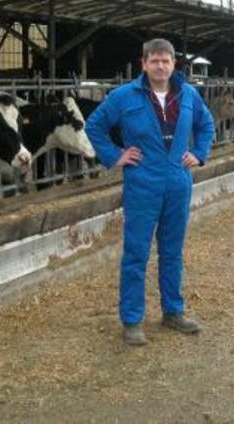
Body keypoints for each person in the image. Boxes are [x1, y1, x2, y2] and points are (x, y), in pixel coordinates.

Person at [85, 38, 215, 346]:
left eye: (166, 60)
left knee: (172, 250)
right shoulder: (124, 96)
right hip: (143, 180)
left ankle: (173, 311)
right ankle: (132, 320)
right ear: (143, 63)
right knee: (137, 252)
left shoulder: (188, 95)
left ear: (173, 65)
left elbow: (207, 125)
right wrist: (115, 155)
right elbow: (94, 125)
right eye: (154, 60)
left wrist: (199, 153)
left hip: (178, 180)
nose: (160, 65)